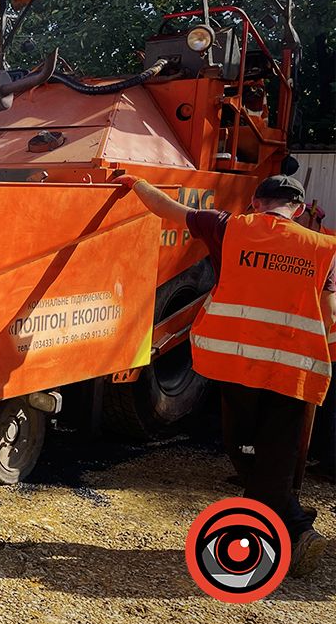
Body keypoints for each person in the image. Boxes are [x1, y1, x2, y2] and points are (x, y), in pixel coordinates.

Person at [122, 172, 333, 577]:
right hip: (293, 372)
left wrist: (133, 183)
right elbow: (330, 314)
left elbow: (168, 210)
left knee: (245, 446)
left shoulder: (227, 228)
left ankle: (277, 536)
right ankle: (291, 524)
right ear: (301, 210)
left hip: (235, 364)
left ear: (255, 202)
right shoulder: (323, 248)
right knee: (277, 451)